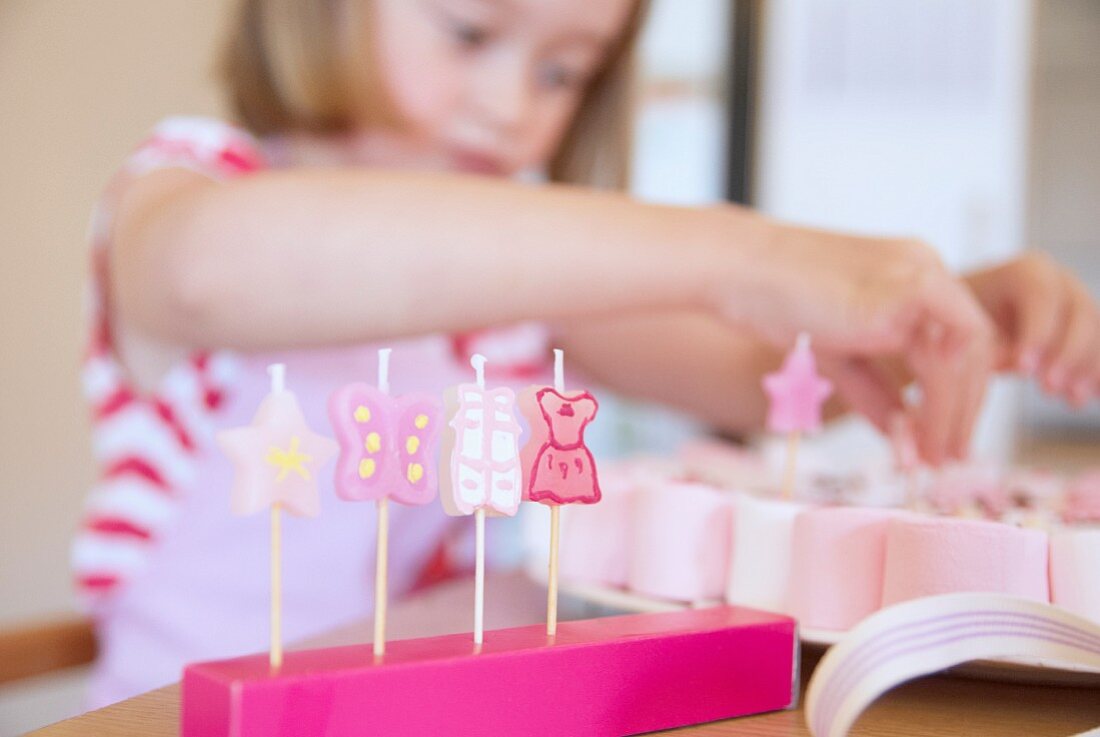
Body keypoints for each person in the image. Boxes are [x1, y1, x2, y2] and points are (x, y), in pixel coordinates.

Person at [74, 0, 1100, 706]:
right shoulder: (202, 191)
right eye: (471, 28)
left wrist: (938, 312)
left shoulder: (523, 277)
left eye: (564, 69)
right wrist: (741, 249)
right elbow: (205, 272)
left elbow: (752, 373)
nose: (512, 103)